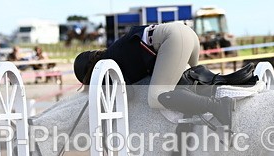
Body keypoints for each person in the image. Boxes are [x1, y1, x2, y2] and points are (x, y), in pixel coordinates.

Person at [73, 22, 234, 125]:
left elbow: (126, 95)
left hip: (174, 38)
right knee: (193, 83)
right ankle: (232, 84)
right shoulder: (115, 52)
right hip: (186, 33)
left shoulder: (107, 64)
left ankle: (217, 106)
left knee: (156, 97)